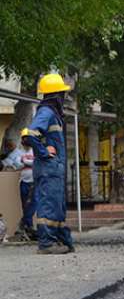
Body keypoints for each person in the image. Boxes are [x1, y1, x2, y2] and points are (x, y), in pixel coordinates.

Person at [27, 73, 74, 254]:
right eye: (61, 94)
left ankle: (62, 240)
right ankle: (46, 244)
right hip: (48, 168)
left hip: (53, 169)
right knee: (48, 204)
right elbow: (29, 134)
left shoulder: (53, 114)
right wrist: (44, 151)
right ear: (55, 95)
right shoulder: (46, 112)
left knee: (56, 205)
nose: (64, 97)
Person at [16, 129, 36, 239]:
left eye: (27, 138)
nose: (26, 140)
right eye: (24, 138)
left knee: (33, 204)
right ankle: (29, 227)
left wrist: (25, 161)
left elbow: (36, 162)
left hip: (34, 181)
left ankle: (24, 222)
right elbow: (16, 163)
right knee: (25, 205)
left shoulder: (35, 150)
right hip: (23, 181)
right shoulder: (19, 151)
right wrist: (26, 162)